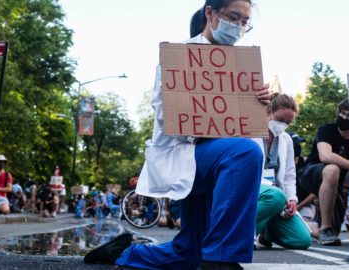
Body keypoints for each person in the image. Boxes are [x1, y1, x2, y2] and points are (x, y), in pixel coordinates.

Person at [84, 1, 271, 269]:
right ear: (211, 13)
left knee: (188, 254)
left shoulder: (242, 69)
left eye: (245, 22)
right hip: (187, 156)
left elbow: (246, 129)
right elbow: (166, 118)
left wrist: (258, 105)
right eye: (234, 17)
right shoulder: (179, 58)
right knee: (245, 151)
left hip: (219, 162)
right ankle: (221, 260)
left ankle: (124, 254)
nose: (239, 26)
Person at [254, 93, 311, 250]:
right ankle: (244, 234)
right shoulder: (249, 133)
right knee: (276, 196)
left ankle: (266, 232)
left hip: (276, 198)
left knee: (302, 240)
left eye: (288, 122)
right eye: (280, 120)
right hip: (254, 191)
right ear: (268, 111)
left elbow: (289, 175)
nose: (283, 125)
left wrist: (292, 200)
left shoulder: (286, 140)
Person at [299, 98, 349, 246]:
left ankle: (291, 225)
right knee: (332, 168)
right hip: (311, 173)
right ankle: (326, 227)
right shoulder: (327, 130)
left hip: (335, 185)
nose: (345, 118)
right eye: (343, 113)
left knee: (334, 235)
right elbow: (325, 156)